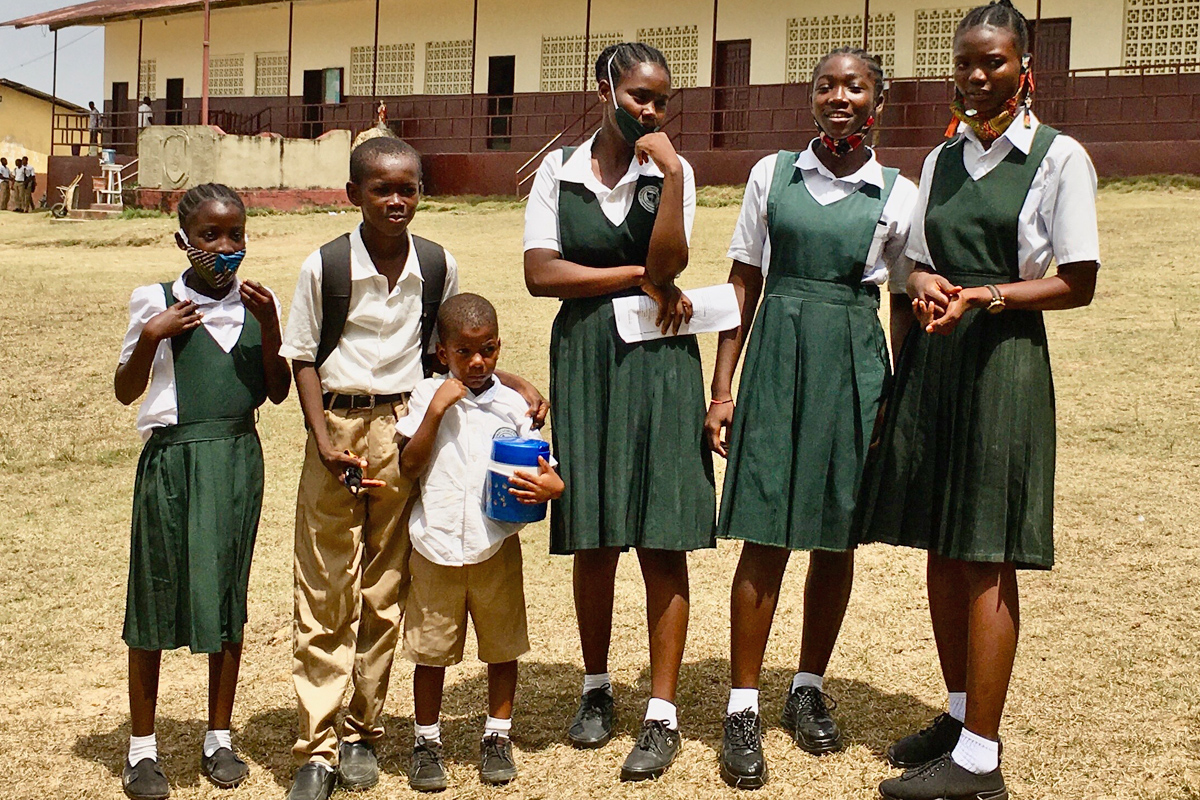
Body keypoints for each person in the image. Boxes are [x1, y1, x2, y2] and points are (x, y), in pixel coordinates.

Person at [856, 3, 1100, 799]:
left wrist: (987, 295)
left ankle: (981, 763)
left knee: (986, 550)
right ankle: (959, 716)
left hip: (1003, 364)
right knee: (942, 542)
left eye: (991, 62)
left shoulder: (1060, 159)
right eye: (964, 63)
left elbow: (1076, 281)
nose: (974, 76)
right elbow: (917, 263)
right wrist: (924, 282)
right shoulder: (939, 160)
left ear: (1025, 66)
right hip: (936, 363)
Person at [280, 136, 548, 800]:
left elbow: (450, 353)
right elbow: (303, 359)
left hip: (403, 426)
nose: (396, 200)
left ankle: (364, 732)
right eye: (381, 189)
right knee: (323, 590)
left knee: (384, 587)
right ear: (354, 195)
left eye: (408, 188)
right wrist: (322, 441)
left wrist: (507, 378)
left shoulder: (437, 264)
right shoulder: (326, 267)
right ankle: (316, 747)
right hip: (338, 427)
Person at [704, 47, 919, 790]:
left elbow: (901, 301)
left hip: (853, 367)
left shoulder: (898, 192)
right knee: (765, 531)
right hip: (776, 362)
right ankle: (740, 706)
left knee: (835, 536)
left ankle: (808, 686)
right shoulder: (771, 176)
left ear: (877, 101)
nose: (839, 96)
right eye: (826, 85)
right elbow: (744, 284)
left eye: (854, 86)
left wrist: (895, 393)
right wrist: (723, 387)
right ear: (811, 98)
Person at [523, 41, 715, 782]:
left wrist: (666, 173)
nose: (650, 111)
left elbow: (673, 267)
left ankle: (660, 714)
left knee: (660, 530)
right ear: (602, 88)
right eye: (638, 96)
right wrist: (634, 273)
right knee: (596, 527)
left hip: (662, 360)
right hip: (586, 358)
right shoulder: (558, 171)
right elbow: (542, 275)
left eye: (661, 100)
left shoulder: (674, 171)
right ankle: (596, 689)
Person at [114, 183, 291, 800]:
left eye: (236, 234)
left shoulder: (256, 305)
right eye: (210, 236)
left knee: (226, 596)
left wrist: (271, 324)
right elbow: (125, 390)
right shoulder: (154, 301)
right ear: (182, 240)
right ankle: (143, 750)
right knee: (155, 594)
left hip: (238, 457)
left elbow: (276, 391)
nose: (225, 247)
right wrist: (154, 333)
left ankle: (220, 736)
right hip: (172, 461)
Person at [396, 293, 564, 792]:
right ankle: (427, 742)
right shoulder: (427, 395)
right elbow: (409, 465)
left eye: (487, 350)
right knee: (431, 653)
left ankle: (497, 736)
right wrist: (435, 412)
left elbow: (535, 466)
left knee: (501, 645)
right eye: (464, 352)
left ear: (498, 347)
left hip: (495, 544)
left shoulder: (512, 404)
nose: (476, 362)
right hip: (436, 545)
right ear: (442, 352)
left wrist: (553, 485)